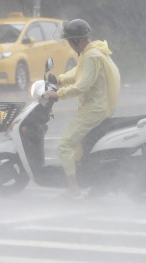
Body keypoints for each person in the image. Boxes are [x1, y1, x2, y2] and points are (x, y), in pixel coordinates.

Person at [44, 19, 121, 198]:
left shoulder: (91, 56)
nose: (70, 45)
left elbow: (82, 85)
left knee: (64, 145)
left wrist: (58, 94)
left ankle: (73, 189)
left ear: (77, 41)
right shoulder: (93, 52)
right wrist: (60, 79)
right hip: (98, 107)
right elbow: (80, 72)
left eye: (70, 41)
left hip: (94, 110)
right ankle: (88, 179)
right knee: (79, 147)